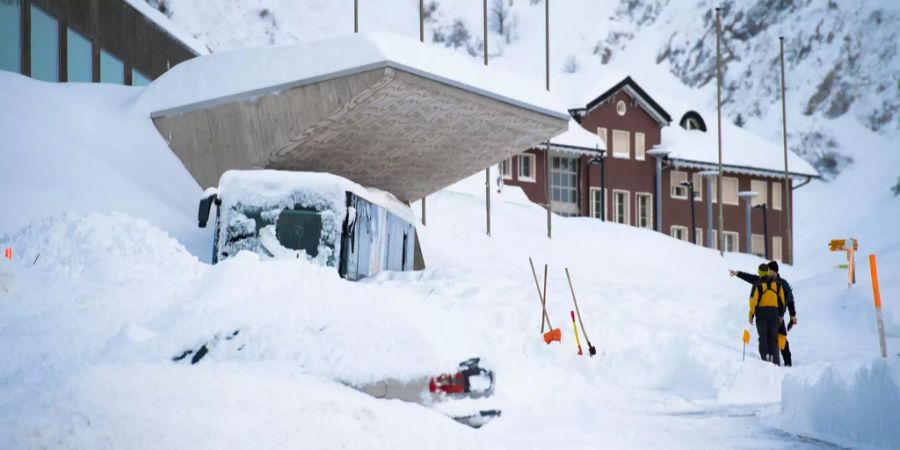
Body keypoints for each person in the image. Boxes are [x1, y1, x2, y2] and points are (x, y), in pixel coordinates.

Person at [730, 261, 796, 366]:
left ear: (774, 271)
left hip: (779, 316)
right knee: (768, 338)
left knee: (781, 338)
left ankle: (787, 361)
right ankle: (770, 361)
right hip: (772, 315)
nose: (767, 272)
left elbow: (790, 300)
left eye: (769, 270)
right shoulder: (762, 280)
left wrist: (792, 315)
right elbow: (750, 278)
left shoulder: (782, 283)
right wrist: (738, 273)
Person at [745, 263, 786, 365]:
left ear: (759, 273)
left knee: (763, 337)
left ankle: (765, 359)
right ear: (767, 272)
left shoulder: (757, 285)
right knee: (773, 338)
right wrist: (781, 315)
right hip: (774, 314)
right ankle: (776, 361)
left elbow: (753, 302)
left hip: (761, 315)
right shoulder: (777, 285)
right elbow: (782, 301)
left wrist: (751, 315)